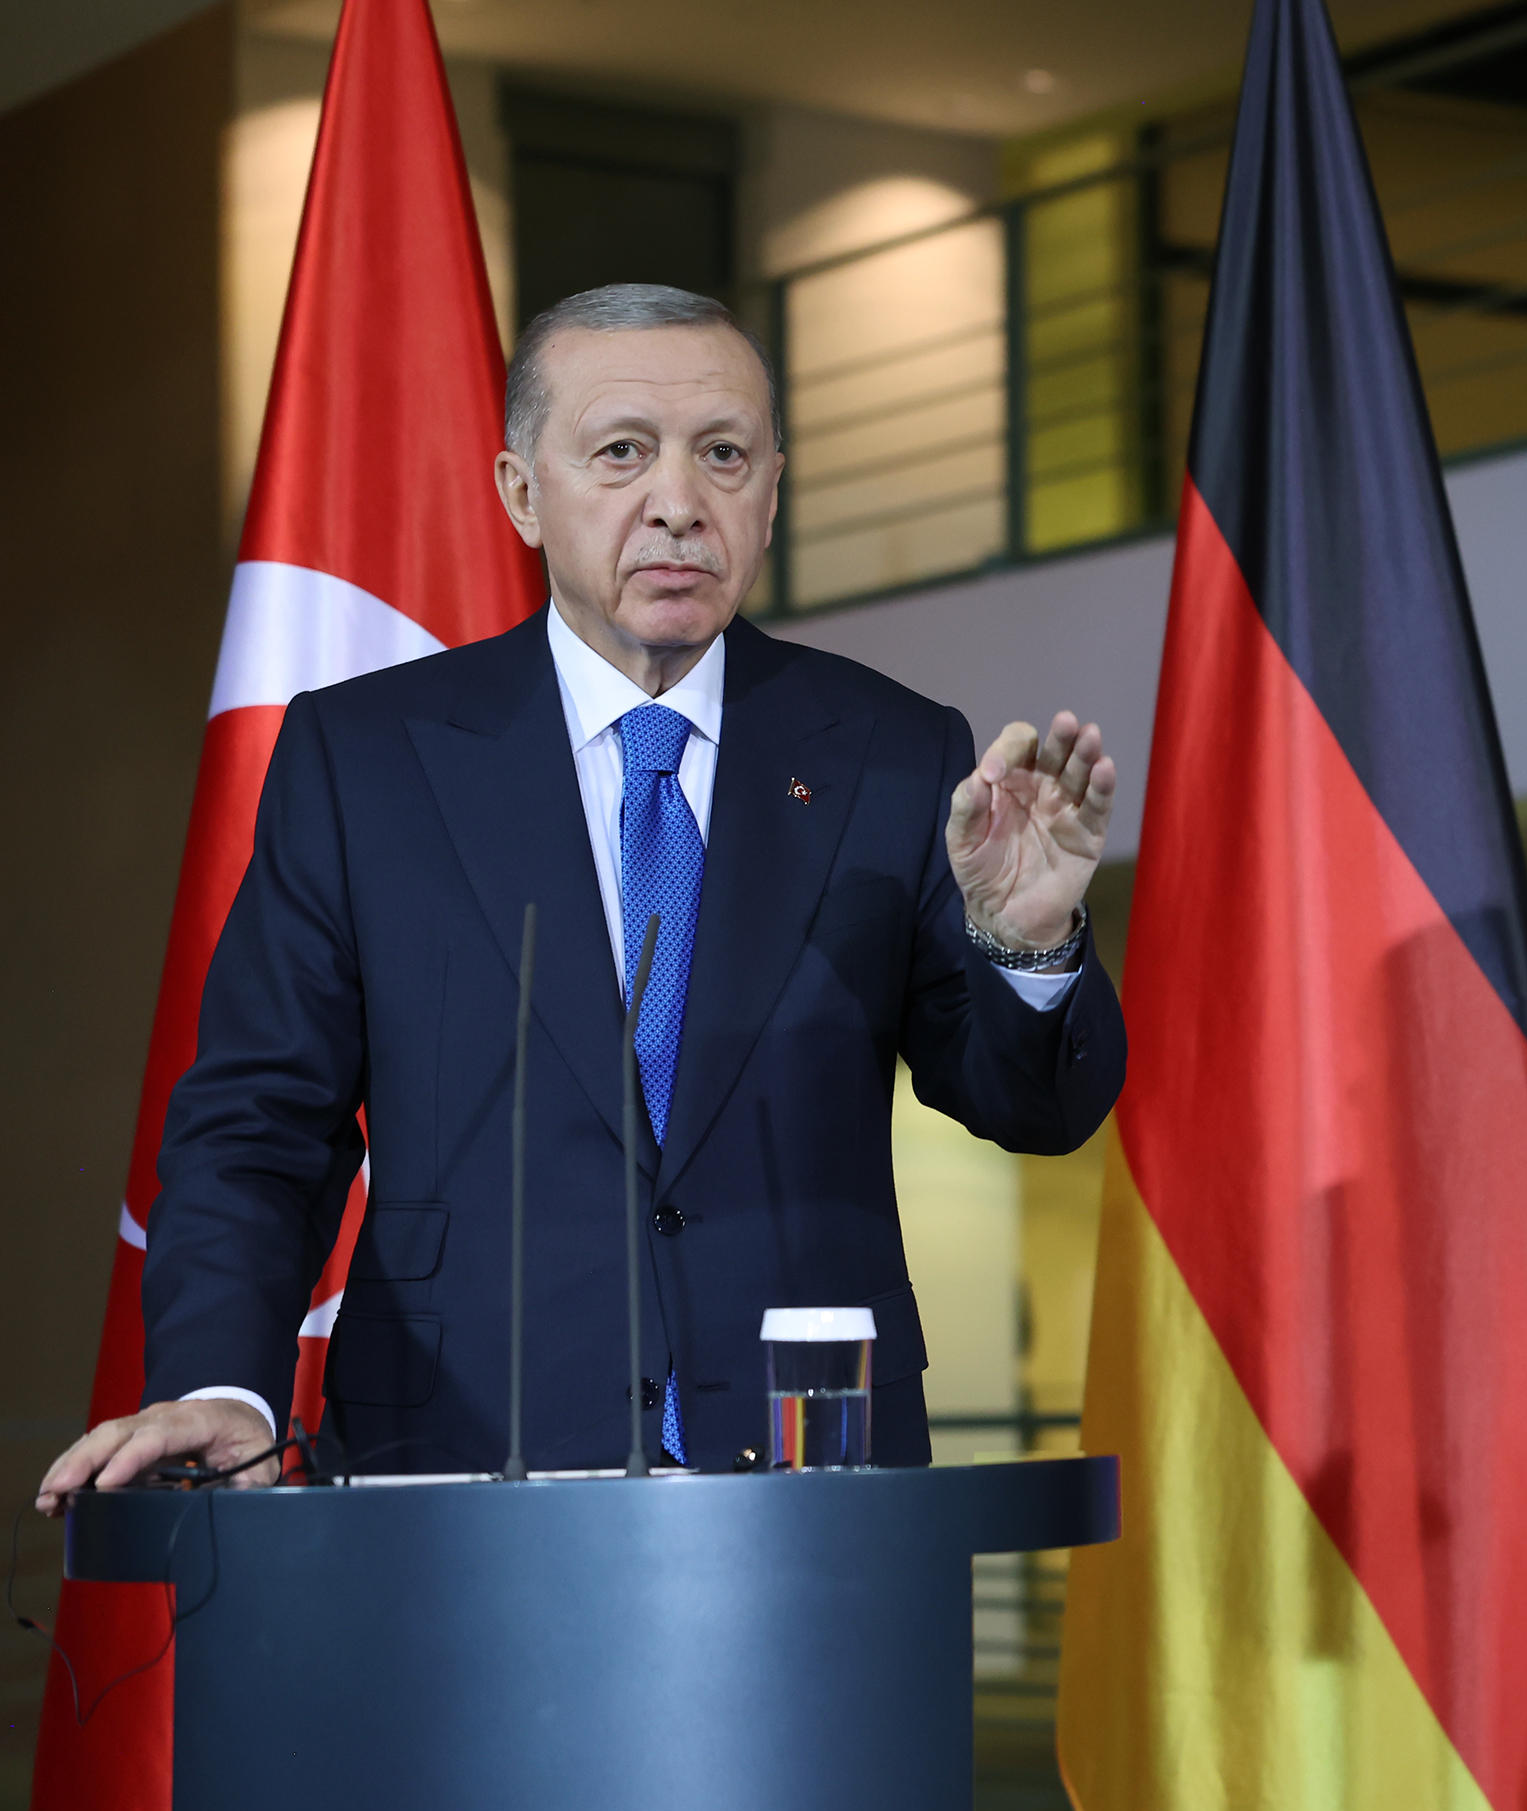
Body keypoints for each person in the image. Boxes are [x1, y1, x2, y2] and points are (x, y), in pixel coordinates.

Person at [40, 283, 1123, 1506]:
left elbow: (1029, 1107)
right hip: (454, 1477)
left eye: (723, 455)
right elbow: (258, 1123)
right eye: (621, 452)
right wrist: (225, 1386)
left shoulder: (894, 751)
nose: (678, 502)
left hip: (819, 1483)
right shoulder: (368, 758)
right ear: (519, 491)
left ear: (774, 488)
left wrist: (1025, 945)